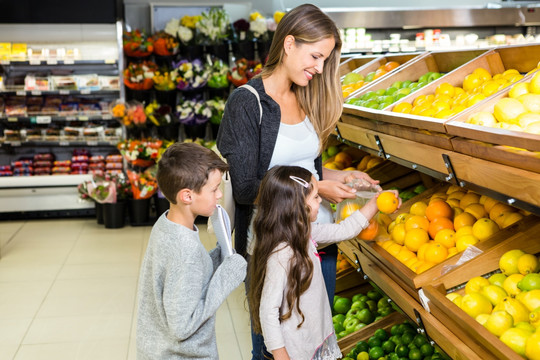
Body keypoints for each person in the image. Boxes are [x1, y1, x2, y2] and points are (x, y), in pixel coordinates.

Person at [216, 4, 380, 358]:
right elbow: (246, 188)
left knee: (316, 336)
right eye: (316, 56)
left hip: (317, 239)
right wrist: (318, 188)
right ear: (289, 44)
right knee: (276, 341)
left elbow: (303, 166)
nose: (319, 69)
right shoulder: (247, 104)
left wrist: (338, 176)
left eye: (325, 61)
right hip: (273, 245)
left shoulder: (306, 97)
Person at [248, 166, 399, 360]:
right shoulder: (282, 253)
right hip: (294, 349)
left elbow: (344, 230)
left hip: (313, 338)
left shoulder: (305, 233)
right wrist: (279, 353)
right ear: (298, 205)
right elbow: (268, 309)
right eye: (316, 197)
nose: (321, 201)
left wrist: (377, 202)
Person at [136, 142, 247, 360]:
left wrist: (216, 258)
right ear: (187, 196)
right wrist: (226, 278)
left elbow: (182, 280)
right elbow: (182, 326)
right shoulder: (186, 252)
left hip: (157, 350)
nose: (218, 196)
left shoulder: (166, 224)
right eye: (214, 189)